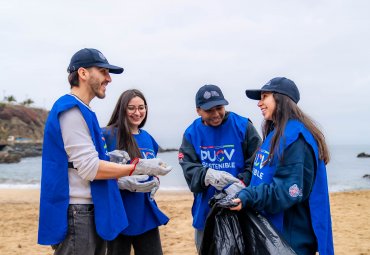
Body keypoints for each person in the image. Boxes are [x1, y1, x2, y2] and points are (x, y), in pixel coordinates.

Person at [38, 48, 172, 255]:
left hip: (89, 210)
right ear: (83, 73)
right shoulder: (71, 110)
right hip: (79, 212)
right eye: (103, 71)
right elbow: (90, 168)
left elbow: (83, 161)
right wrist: (138, 167)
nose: (109, 78)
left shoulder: (85, 110)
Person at [231, 77, 334, 255]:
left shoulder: (296, 138)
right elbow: (263, 174)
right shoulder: (276, 133)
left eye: (264, 97)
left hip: (289, 242)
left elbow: (288, 191)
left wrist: (249, 196)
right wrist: (242, 185)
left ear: (281, 98)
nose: (259, 103)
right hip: (270, 235)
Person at [178, 84, 261, 251]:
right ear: (198, 110)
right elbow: (188, 167)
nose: (216, 114)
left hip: (240, 206)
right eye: (209, 110)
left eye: (219, 108)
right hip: (206, 211)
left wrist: (242, 182)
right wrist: (206, 174)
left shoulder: (243, 126)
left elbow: (257, 161)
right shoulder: (191, 134)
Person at [102, 89, 168, 255]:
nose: (137, 112)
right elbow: (95, 171)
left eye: (141, 107)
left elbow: (153, 171)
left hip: (145, 212)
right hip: (119, 214)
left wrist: (156, 182)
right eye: (131, 108)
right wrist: (120, 182)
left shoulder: (148, 138)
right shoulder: (107, 135)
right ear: (122, 109)